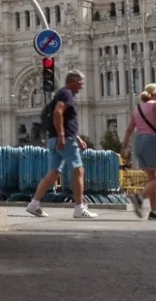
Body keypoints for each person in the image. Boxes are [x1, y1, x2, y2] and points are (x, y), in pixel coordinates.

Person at [26, 70, 97, 219]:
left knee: (53, 173)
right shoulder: (66, 93)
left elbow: (64, 118)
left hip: (55, 138)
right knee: (78, 170)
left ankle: (34, 204)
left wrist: (76, 138)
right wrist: (63, 136)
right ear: (72, 82)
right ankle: (79, 208)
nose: (81, 87)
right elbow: (58, 113)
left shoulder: (63, 93)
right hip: (63, 139)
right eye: (80, 83)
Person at [120, 83, 156, 220]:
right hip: (152, 142)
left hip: (139, 143)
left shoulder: (137, 108)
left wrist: (124, 146)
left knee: (152, 179)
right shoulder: (155, 105)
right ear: (154, 94)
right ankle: (139, 197)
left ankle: (154, 211)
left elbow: (129, 129)